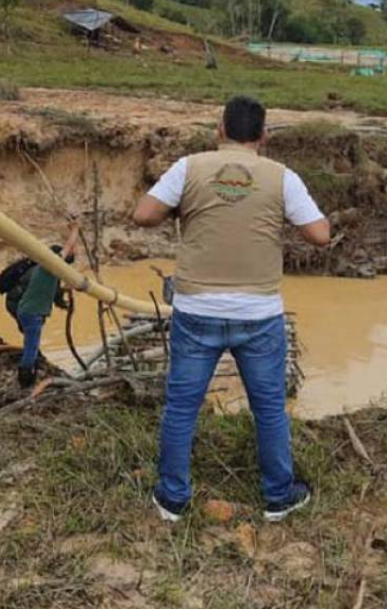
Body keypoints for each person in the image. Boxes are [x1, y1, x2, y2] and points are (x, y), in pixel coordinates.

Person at [133, 95, 331, 522]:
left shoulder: (188, 167)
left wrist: (185, 209)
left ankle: (172, 498)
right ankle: (279, 496)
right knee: (269, 408)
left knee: (182, 407)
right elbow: (319, 235)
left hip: (196, 309)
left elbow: (144, 214)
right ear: (264, 135)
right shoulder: (282, 177)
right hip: (258, 313)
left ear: (220, 130)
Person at [4, 222, 80, 388]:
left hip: (27, 310)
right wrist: (75, 230)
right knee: (31, 347)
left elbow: (55, 289)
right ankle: (26, 379)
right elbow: (67, 249)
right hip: (31, 312)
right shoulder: (48, 267)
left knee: (31, 344)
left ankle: (30, 371)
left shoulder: (47, 271)